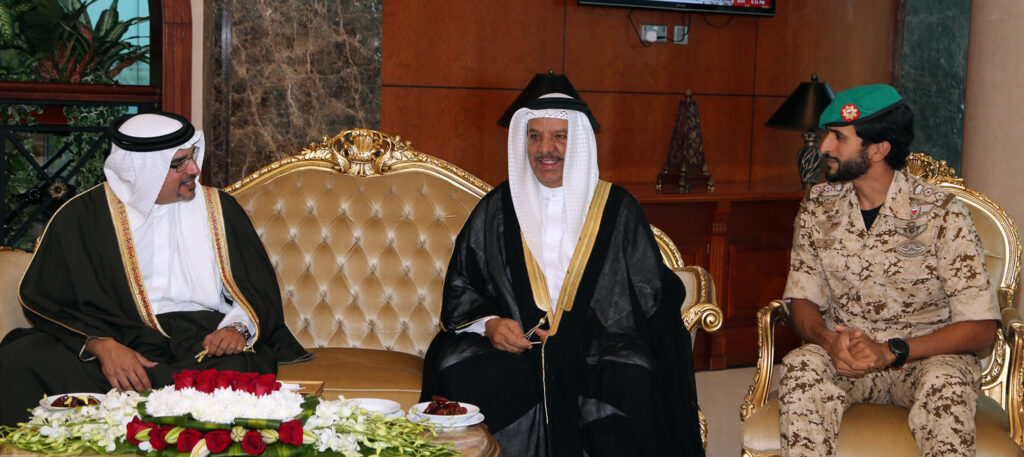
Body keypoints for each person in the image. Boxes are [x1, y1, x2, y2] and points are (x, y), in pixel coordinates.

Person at [420, 78, 705, 457]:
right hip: (516, 349)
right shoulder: (497, 208)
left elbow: (650, 291)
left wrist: (588, 330)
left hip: (598, 347)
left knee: (633, 379)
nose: (545, 149)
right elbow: (463, 286)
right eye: (535, 136)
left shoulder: (616, 208)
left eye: (559, 137)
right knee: (459, 370)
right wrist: (490, 324)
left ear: (580, 142)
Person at [0, 112, 310, 427]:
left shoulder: (220, 209)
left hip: (197, 339)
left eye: (192, 157)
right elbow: (46, 299)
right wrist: (100, 346)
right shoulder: (81, 217)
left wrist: (236, 329)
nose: (194, 169)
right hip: (114, 334)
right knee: (19, 360)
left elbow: (258, 290)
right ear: (141, 171)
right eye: (179, 164)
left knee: (236, 369)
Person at [778, 84, 1000, 456]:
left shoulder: (941, 213)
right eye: (827, 135)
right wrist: (827, 340)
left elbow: (981, 328)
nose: (825, 147)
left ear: (879, 150)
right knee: (801, 367)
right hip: (846, 357)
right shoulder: (818, 206)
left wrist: (891, 351)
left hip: (925, 359)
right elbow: (802, 299)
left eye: (839, 138)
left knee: (946, 386)